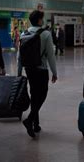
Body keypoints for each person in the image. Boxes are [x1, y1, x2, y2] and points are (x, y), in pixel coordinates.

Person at [21, 10, 58, 138]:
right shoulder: (46, 34)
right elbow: (50, 56)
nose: (43, 20)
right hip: (41, 69)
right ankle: (29, 120)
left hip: (29, 69)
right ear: (39, 20)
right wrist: (54, 72)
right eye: (42, 18)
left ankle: (35, 124)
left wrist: (19, 72)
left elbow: (20, 55)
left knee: (34, 94)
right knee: (42, 94)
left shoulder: (23, 34)